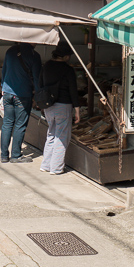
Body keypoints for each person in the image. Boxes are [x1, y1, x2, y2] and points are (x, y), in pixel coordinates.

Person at [40, 42, 81, 175]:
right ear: (65, 56)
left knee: (51, 134)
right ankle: (56, 168)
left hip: (48, 106)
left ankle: (45, 165)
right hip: (63, 105)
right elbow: (73, 91)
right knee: (61, 136)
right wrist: (77, 110)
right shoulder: (67, 69)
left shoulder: (46, 66)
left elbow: (40, 83)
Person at [0, 42, 43, 163]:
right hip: (23, 94)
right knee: (20, 125)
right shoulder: (34, 56)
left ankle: (4, 155)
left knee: (7, 124)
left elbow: (4, 70)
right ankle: (16, 155)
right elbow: (36, 78)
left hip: (7, 92)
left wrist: (3, 87)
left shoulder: (10, 50)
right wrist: (39, 97)